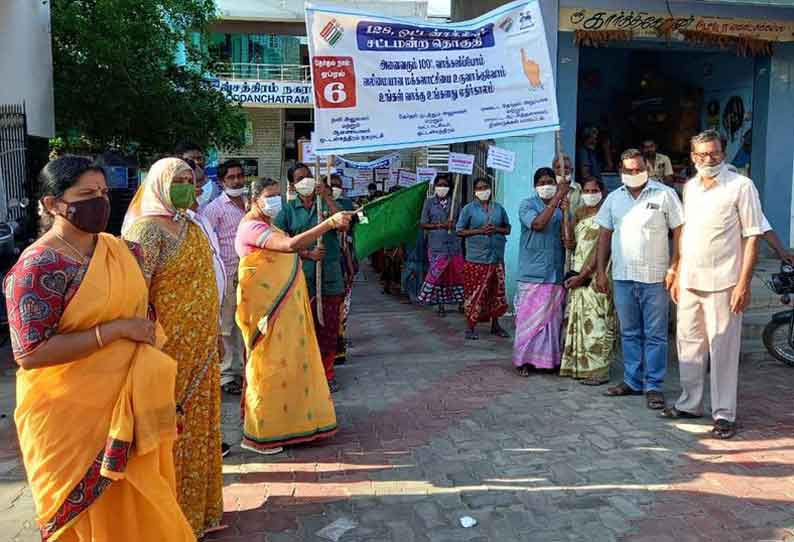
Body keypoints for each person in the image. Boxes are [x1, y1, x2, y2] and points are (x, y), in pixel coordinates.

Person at [6, 156, 195, 541]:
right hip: (69, 418)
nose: (100, 202)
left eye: (104, 193)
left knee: (144, 513)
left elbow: (144, 312)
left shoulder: (121, 250)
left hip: (128, 403)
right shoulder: (39, 266)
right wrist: (115, 330)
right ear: (52, 204)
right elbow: (30, 352)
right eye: (86, 194)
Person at [121, 158, 224, 537]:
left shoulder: (191, 224)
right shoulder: (146, 231)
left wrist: (215, 334)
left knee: (202, 429)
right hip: (166, 354)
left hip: (202, 350)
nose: (187, 186)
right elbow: (134, 298)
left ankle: (200, 513)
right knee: (170, 433)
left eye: (190, 180)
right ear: (158, 184)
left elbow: (208, 285)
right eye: (177, 180)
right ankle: (169, 520)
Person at [235, 178, 352, 454]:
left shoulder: (267, 225)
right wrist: (328, 224)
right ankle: (261, 434)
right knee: (269, 368)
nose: (276, 200)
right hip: (267, 309)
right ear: (254, 199)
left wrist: (309, 255)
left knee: (286, 365)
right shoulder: (252, 227)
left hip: (283, 309)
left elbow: (289, 252)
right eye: (270, 196)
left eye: (278, 195)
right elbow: (288, 246)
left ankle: (288, 424)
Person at [664, 130, 764, 440]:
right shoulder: (690, 188)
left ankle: (724, 414)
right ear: (692, 157)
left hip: (725, 281)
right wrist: (677, 268)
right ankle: (690, 403)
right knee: (689, 345)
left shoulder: (741, 186)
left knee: (723, 349)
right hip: (691, 279)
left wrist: (743, 285)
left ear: (723, 152)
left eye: (714, 153)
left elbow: (752, 236)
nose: (708, 159)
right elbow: (686, 233)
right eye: (701, 154)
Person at [595, 149, 684, 410]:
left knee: (655, 334)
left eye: (638, 169)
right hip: (623, 276)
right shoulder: (613, 198)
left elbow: (680, 230)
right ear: (621, 172)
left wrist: (675, 266)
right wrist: (601, 270)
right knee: (629, 332)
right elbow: (604, 235)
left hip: (655, 277)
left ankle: (653, 385)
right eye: (628, 170)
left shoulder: (665, 194)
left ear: (647, 168)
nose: (634, 174)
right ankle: (632, 381)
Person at [274, 164, 345, 392]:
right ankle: (305, 372)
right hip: (300, 277)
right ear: (292, 185)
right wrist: (306, 253)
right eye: (300, 178)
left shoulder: (327, 204)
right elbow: (279, 243)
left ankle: (328, 371)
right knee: (303, 328)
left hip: (329, 276)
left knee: (329, 327)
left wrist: (326, 196)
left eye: (309, 177)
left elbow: (343, 226)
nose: (305, 181)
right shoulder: (287, 211)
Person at [560, 177, 617, 385]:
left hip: (597, 274)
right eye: (586, 190)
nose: (590, 194)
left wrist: (584, 276)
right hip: (578, 273)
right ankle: (580, 367)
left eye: (594, 190)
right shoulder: (580, 213)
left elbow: (600, 249)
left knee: (597, 322)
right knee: (581, 321)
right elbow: (569, 243)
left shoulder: (608, 215)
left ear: (602, 192)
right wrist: (565, 215)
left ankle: (598, 370)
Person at [512, 168, 568, 376]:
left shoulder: (562, 207)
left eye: (550, 181)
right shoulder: (527, 205)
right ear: (536, 186)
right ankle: (524, 361)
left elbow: (567, 238)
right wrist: (557, 200)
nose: (547, 185)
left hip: (554, 271)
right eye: (542, 182)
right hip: (532, 273)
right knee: (529, 320)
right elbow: (537, 224)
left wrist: (565, 211)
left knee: (552, 321)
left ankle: (549, 361)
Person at [201, 159, 247, 396]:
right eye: (231, 177)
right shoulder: (215, 208)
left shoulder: (252, 202)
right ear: (221, 181)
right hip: (229, 272)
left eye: (240, 175)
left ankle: (249, 369)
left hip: (253, 272)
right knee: (228, 325)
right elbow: (206, 241)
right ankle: (229, 374)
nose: (237, 180)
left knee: (250, 321)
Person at [456, 177, 511, 341]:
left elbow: (507, 228)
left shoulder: (499, 208)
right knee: (474, 294)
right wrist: (479, 231)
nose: (483, 190)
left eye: (485, 187)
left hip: (496, 258)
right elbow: (459, 231)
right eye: (479, 188)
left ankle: (496, 324)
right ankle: (470, 326)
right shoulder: (468, 209)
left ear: (491, 188)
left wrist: (496, 229)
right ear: (474, 191)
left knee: (496, 292)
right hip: (476, 259)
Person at [417, 174, 465, 316]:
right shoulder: (429, 203)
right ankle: (440, 305)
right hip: (436, 247)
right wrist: (440, 225)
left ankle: (461, 302)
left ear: (449, 188)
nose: (442, 188)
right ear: (435, 186)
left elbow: (462, 223)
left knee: (458, 275)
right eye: (439, 185)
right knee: (438, 276)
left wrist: (454, 224)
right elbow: (423, 223)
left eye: (445, 185)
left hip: (454, 246)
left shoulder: (455, 203)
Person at [329, 174, 357, 365]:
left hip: (343, 262)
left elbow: (347, 235)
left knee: (341, 308)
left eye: (338, 186)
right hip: (322, 265)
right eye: (332, 186)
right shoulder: (319, 206)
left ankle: (339, 346)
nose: (335, 188)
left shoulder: (346, 204)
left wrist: (350, 265)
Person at [176, 141, 220, 209]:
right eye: (191, 159)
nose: (196, 162)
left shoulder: (217, 181)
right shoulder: (173, 188)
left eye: (199, 158)